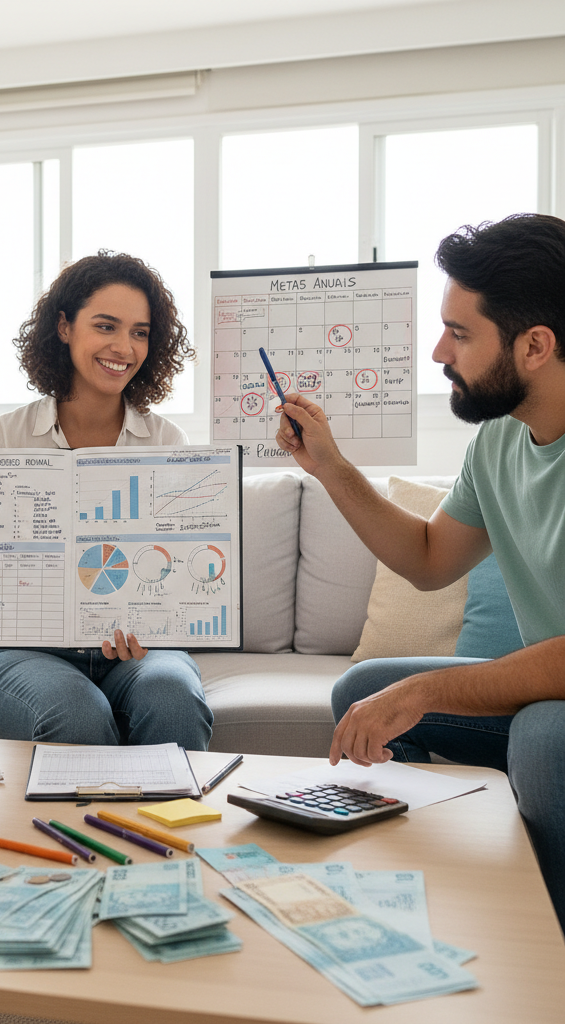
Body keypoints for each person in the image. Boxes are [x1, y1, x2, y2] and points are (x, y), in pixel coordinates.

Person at [272, 213, 565, 932]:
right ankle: (408, 903)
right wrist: (330, 467)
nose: (439, 351)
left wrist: (425, 690)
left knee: (544, 735)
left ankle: (546, 946)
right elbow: (430, 561)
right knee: (364, 690)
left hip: (553, 710)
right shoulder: (500, 440)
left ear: (535, 345)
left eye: (459, 333)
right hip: (545, 695)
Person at [0, 250, 214, 750]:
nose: (124, 347)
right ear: (64, 327)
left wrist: (156, 618)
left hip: (139, 650)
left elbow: (179, 571)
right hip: (27, 650)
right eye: (106, 326)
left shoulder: (166, 442)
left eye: (140, 332)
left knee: (173, 697)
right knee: (76, 713)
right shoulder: (9, 435)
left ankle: (173, 807)